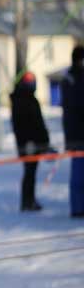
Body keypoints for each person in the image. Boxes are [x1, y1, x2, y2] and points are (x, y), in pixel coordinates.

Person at [9, 72, 53, 212]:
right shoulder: (21, 100)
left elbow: (38, 123)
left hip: (36, 143)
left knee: (31, 173)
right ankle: (27, 202)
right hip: (28, 145)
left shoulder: (30, 99)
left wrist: (44, 141)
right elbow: (21, 126)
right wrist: (27, 142)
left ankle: (30, 200)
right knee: (29, 173)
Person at [61, 45, 84, 217]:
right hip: (77, 133)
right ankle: (77, 208)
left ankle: (77, 207)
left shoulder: (70, 78)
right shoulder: (73, 79)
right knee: (78, 173)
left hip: (73, 132)